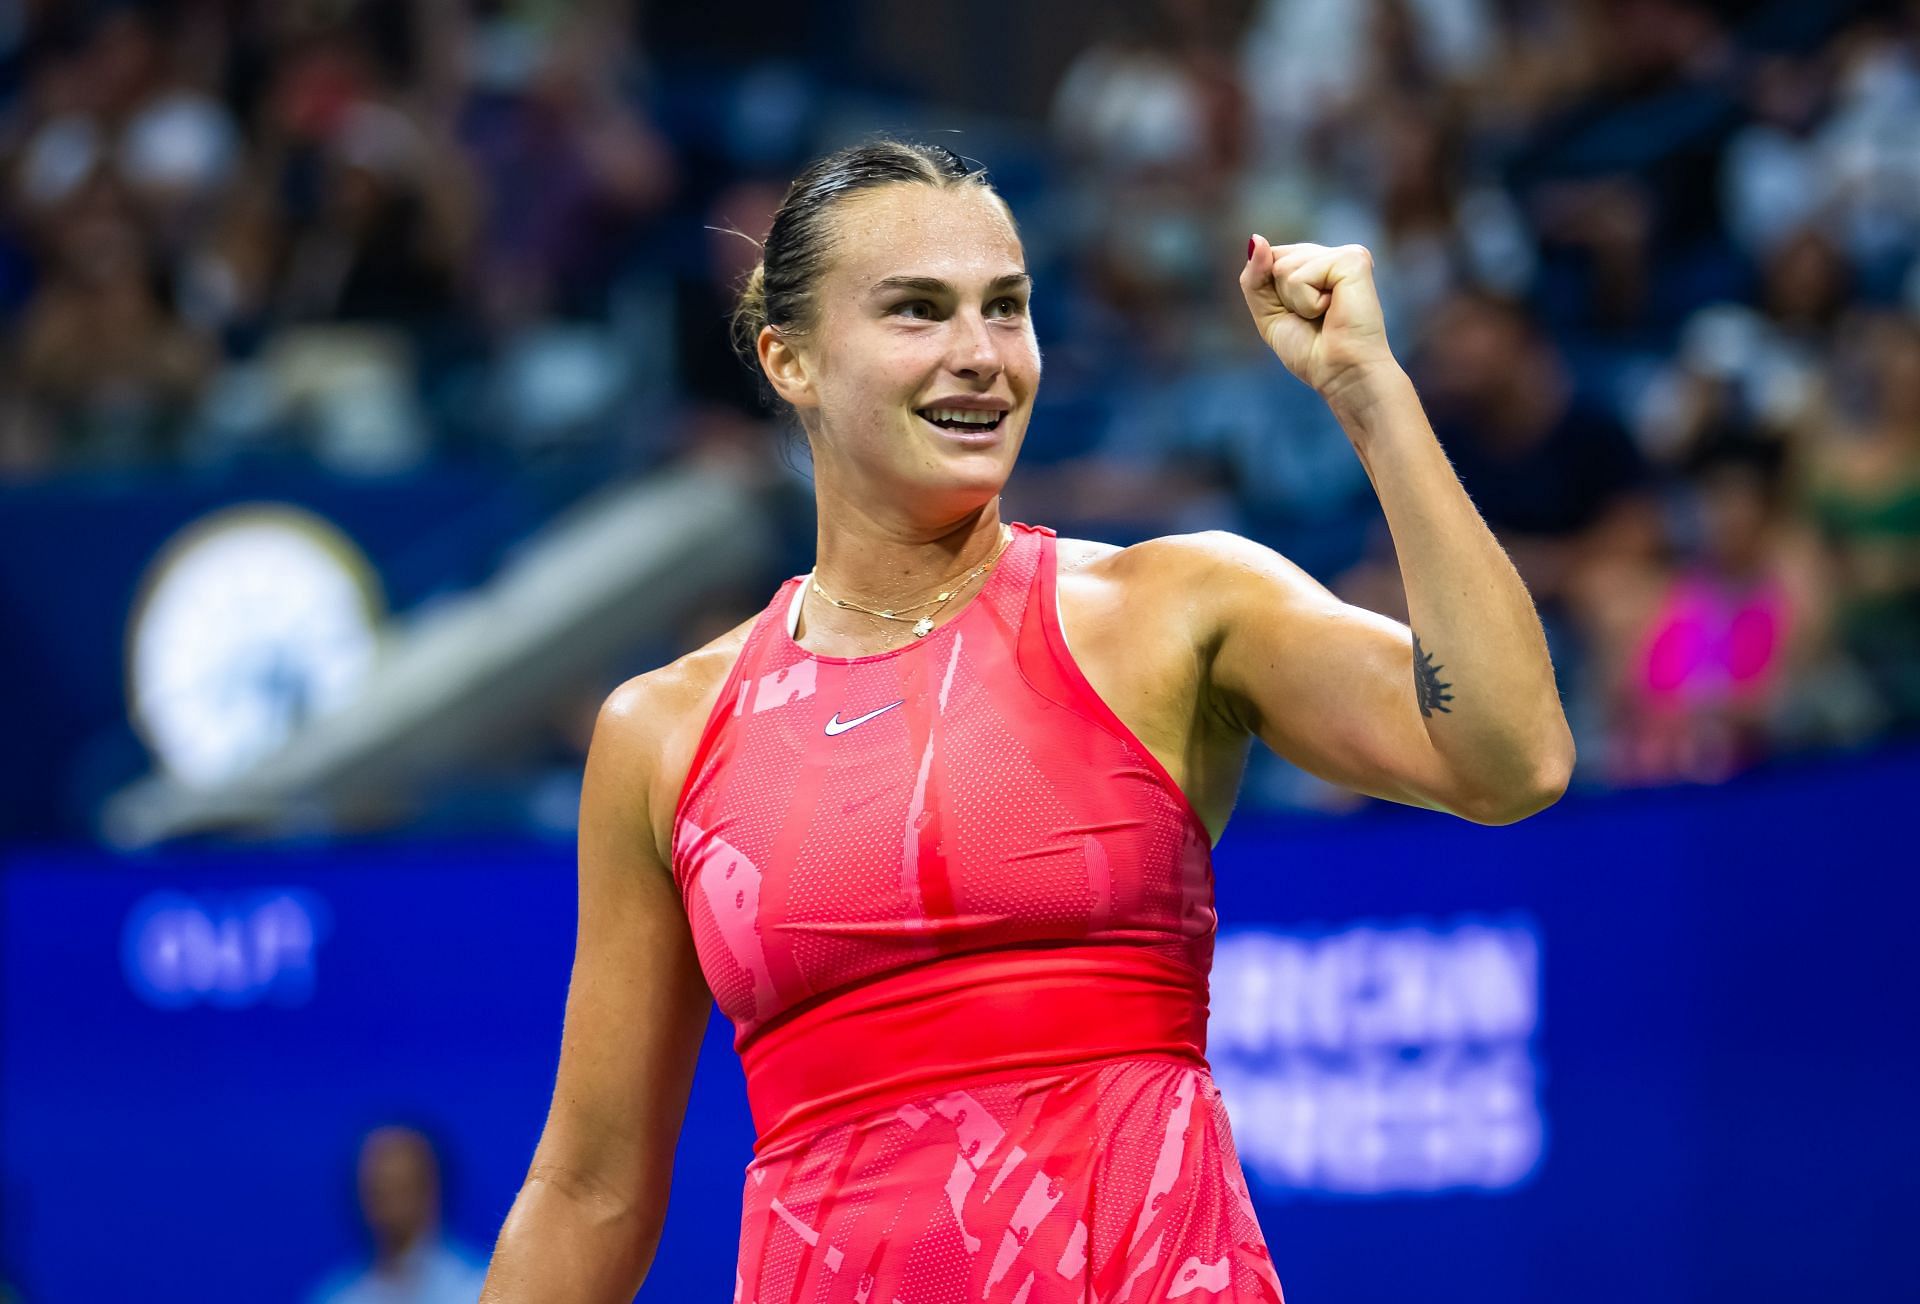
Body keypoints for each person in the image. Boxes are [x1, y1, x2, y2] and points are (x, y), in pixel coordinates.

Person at [478, 137, 1573, 1302]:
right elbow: (593, 1188)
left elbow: (1510, 755)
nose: (981, 356)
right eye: (918, 311)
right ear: (787, 359)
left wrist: (1372, 392)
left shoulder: (1172, 609)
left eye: (1007, 308)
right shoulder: (664, 732)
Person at [310, 1125, 488, 1304]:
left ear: (431, 1189)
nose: (388, 1205)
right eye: (377, 1191)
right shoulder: (337, 1296)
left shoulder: (481, 1289)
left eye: (401, 1188)